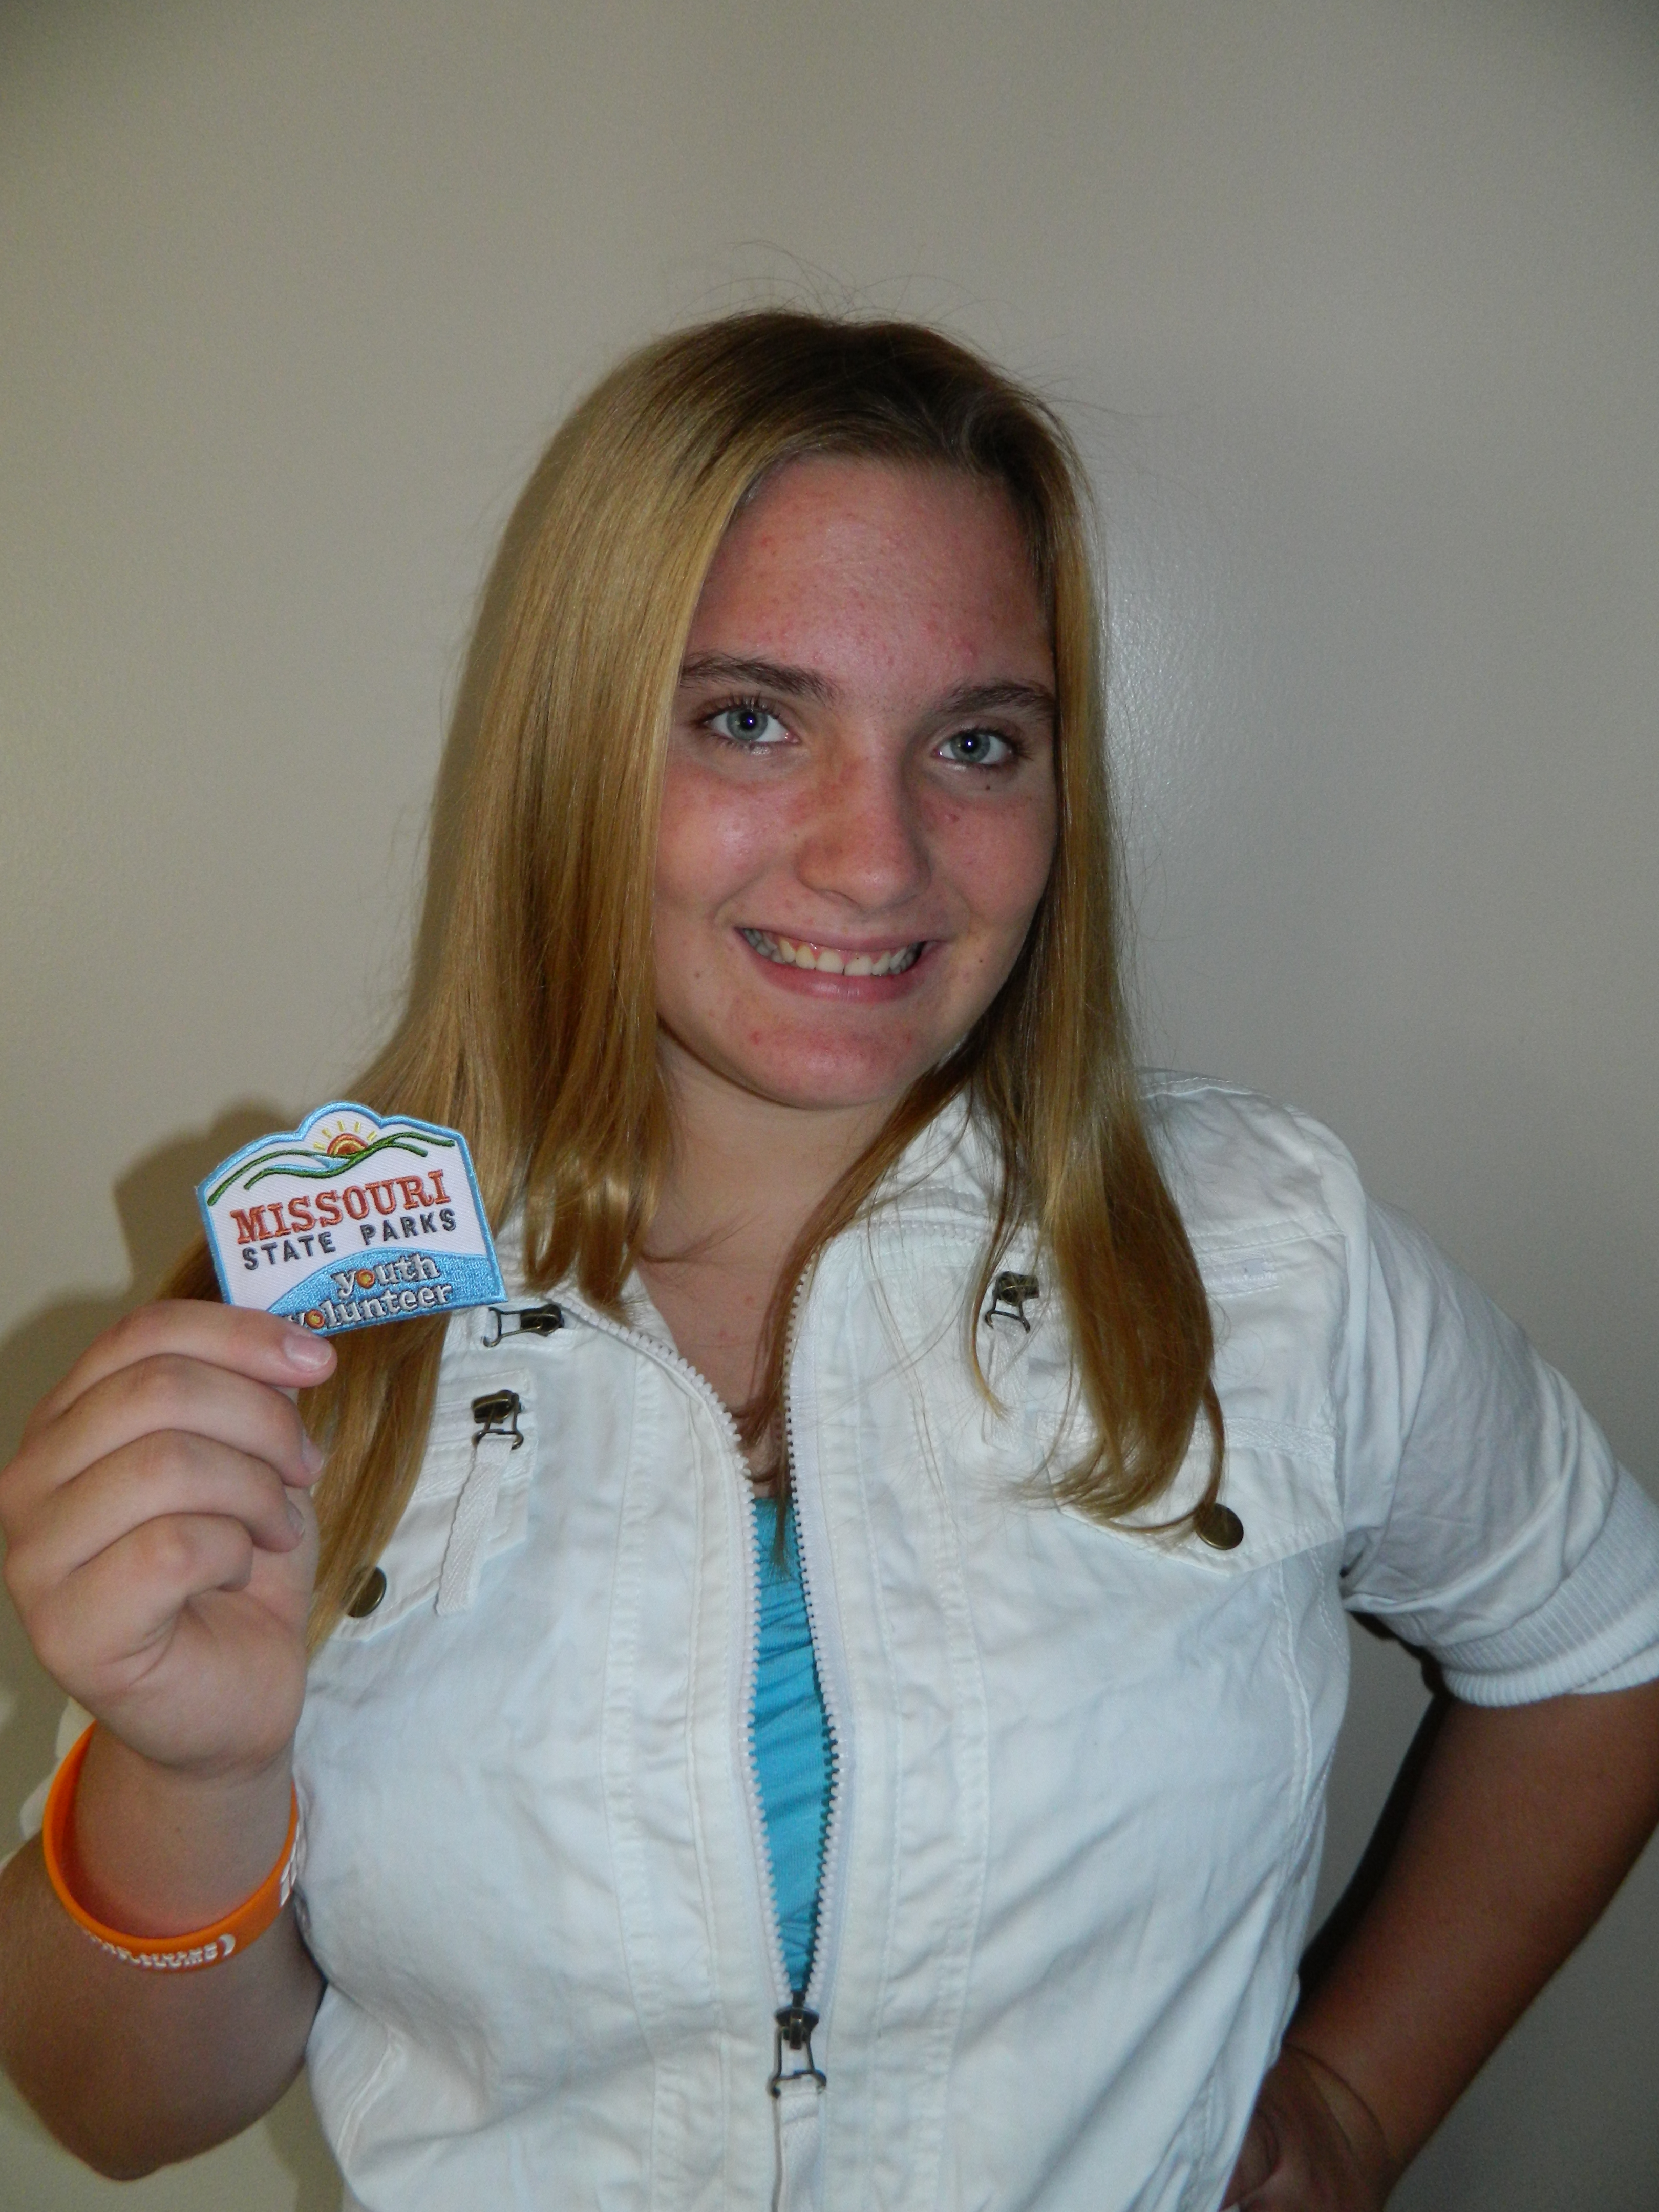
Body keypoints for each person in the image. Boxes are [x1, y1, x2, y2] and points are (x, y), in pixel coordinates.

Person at [3, 311, 1658, 2212]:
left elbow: (1606, 1645)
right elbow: (124, 2114)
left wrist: (1354, 2107)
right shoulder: (311, 1309)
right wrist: (194, 1773)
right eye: (749, 719)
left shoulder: (1267, 1250)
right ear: (575, 750)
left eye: (975, 743)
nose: (878, 862)